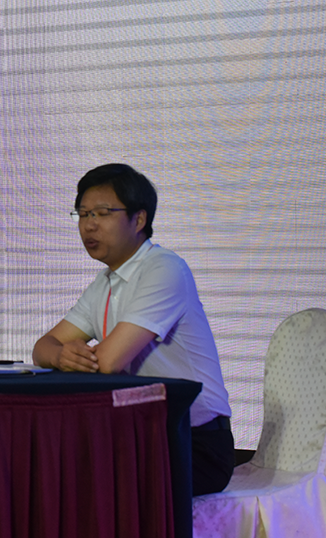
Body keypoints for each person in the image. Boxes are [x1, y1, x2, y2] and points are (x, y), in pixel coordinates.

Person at [32, 163, 234, 496]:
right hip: (141, 436)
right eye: (82, 214)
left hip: (196, 443)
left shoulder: (164, 268)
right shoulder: (105, 282)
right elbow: (43, 348)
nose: (89, 225)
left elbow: (109, 362)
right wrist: (60, 355)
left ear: (139, 220)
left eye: (102, 213)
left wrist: (67, 356)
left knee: (83, 481)